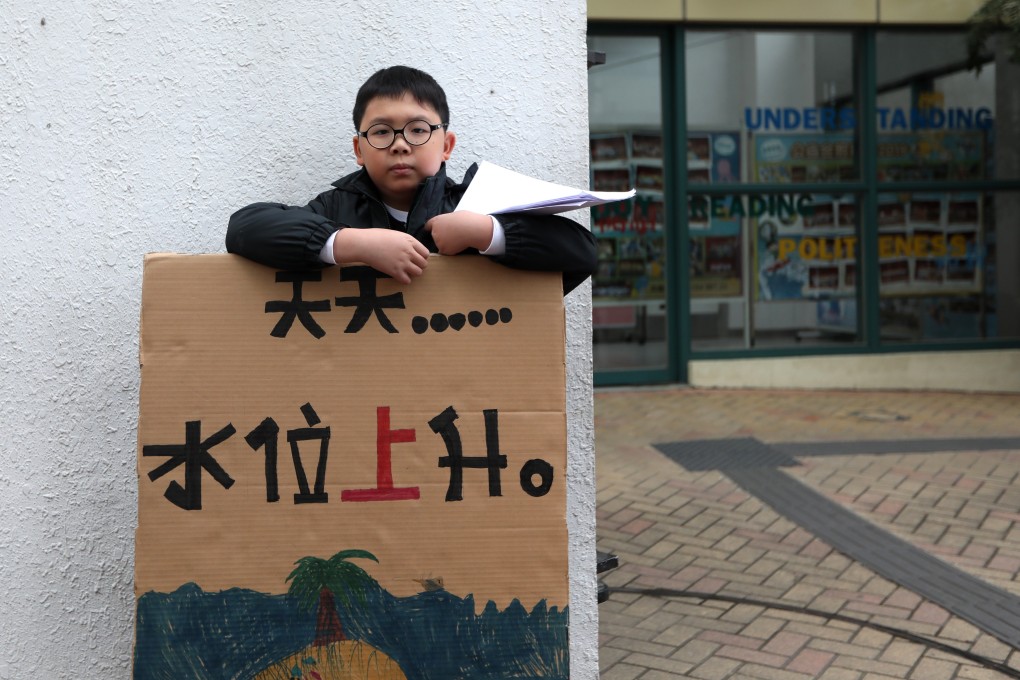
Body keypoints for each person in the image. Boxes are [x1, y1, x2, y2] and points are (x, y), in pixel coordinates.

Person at [226, 65, 597, 294]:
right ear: (359, 149)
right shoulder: (337, 207)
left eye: (418, 130)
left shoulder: (476, 203)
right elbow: (244, 229)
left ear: (446, 144)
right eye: (382, 132)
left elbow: (582, 253)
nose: (401, 145)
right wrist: (351, 244)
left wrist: (485, 233)